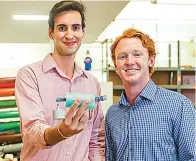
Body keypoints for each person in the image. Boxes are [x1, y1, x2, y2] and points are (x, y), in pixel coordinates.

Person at [15, 1, 105, 161]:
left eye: (75, 28)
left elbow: (96, 138)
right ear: (51, 32)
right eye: (62, 28)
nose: (69, 35)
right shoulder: (30, 75)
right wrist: (61, 132)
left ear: (83, 32)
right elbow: (32, 130)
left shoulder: (91, 83)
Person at [105, 28, 195, 161]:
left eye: (137, 55)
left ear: (151, 61)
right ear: (115, 65)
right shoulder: (112, 114)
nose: (129, 62)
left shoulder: (178, 106)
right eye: (123, 56)